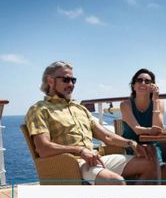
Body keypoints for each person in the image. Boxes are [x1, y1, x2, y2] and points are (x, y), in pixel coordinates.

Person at [25, 61, 158, 185]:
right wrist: (80, 150)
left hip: (94, 160)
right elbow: (43, 148)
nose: (71, 84)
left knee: (150, 164)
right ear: (50, 81)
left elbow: (107, 136)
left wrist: (130, 143)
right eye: (66, 80)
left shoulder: (79, 108)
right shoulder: (39, 110)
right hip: (73, 164)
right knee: (115, 182)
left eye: (73, 80)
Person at [120, 68, 164, 180]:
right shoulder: (125, 105)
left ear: (152, 86)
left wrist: (155, 101)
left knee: (151, 150)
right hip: (132, 146)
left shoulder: (159, 103)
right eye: (139, 80)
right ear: (133, 86)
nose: (143, 83)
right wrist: (152, 130)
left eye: (147, 81)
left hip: (152, 146)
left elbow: (157, 126)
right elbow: (137, 130)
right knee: (150, 152)